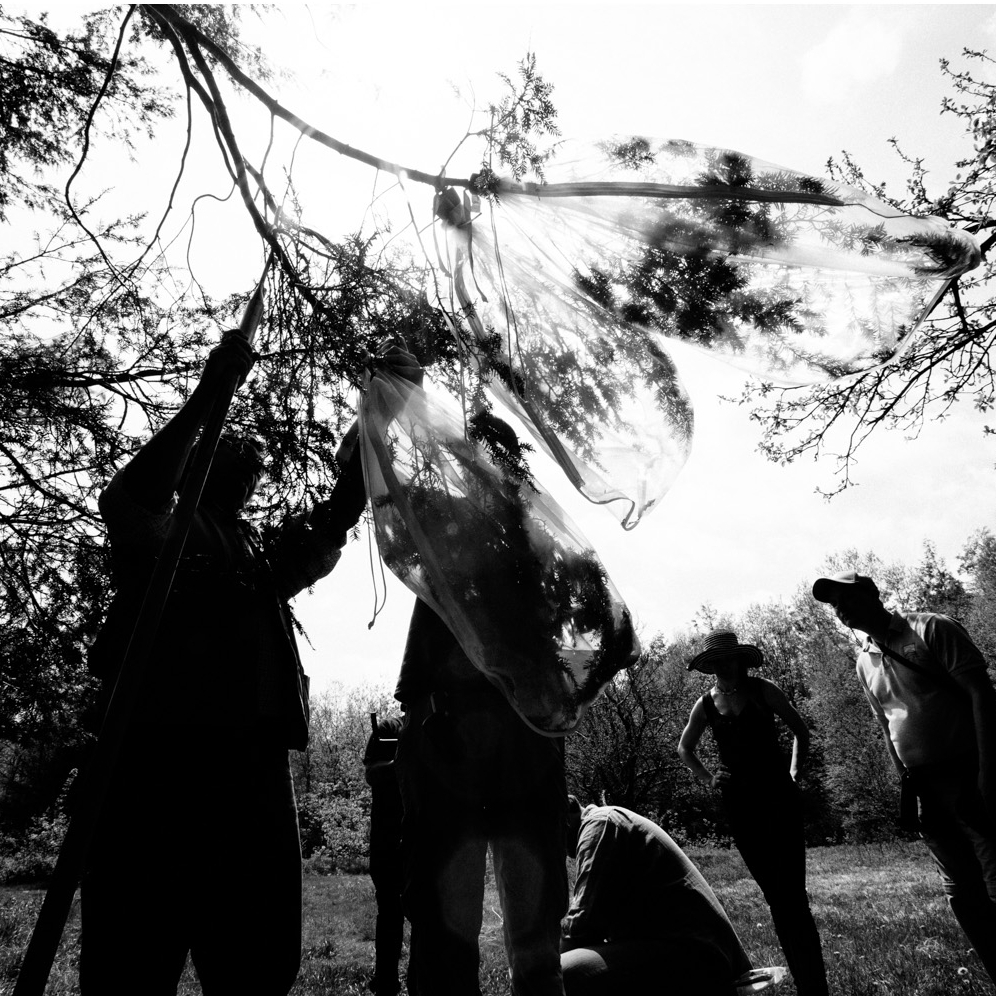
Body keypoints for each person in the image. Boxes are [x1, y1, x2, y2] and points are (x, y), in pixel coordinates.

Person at [81, 332, 421, 994]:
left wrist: (381, 418)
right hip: (155, 771)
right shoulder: (161, 534)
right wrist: (213, 393)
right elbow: (131, 498)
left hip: (252, 777)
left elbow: (332, 519)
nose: (254, 468)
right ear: (201, 468)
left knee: (256, 966)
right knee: (130, 962)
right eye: (236, 458)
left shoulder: (256, 558)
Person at [812, 569, 996, 983]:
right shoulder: (864, 661)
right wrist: (907, 786)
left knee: (995, 875)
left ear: (873, 594)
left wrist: (988, 772)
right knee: (961, 893)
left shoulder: (931, 628)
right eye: (834, 604)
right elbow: (886, 726)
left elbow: (981, 694)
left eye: (846, 598)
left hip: (969, 772)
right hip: (925, 786)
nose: (840, 609)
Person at [394, 598, 568, 996]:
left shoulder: (538, 543)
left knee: (537, 925)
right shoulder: (433, 537)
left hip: (529, 712)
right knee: (441, 929)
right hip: (443, 714)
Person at [677, 630, 828, 996]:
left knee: (793, 893)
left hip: (778, 796)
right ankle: (804, 979)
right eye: (717, 661)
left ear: (741, 660)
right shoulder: (706, 703)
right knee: (775, 895)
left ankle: (814, 984)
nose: (725, 666)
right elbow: (685, 748)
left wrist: (793, 772)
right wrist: (710, 778)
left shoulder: (764, 690)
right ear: (710, 666)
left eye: (730, 658)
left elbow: (801, 732)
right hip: (740, 805)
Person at [560, 797, 754, 996]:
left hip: (696, 954)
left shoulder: (599, 825)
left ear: (566, 811)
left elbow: (583, 926)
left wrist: (538, 965)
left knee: (560, 975)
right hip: (687, 949)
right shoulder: (603, 822)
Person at [363, 713, 407, 996]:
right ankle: (386, 982)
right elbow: (372, 773)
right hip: (388, 839)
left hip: (425, 838)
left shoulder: (444, 724)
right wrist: (404, 763)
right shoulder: (390, 728)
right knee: (390, 912)